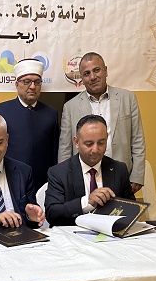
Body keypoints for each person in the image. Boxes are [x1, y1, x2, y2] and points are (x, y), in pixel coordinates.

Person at [58, 52, 146, 193]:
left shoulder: (127, 99)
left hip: (121, 177)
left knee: (121, 208)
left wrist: (137, 176)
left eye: (96, 70)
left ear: (105, 71)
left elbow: (138, 140)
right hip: (85, 178)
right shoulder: (70, 107)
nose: (93, 77)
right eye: (86, 73)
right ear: (82, 78)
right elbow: (65, 148)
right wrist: (64, 180)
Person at [45, 115, 135, 227]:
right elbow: (52, 214)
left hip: (110, 234)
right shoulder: (59, 172)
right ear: (76, 142)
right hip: (73, 234)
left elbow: (132, 209)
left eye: (101, 143)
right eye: (89, 144)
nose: (95, 150)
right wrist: (87, 202)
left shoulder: (119, 169)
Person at [0, 59, 59, 189]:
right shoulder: (1, 111)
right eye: (27, 82)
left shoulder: (51, 114)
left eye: (37, 82)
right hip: (9, 180)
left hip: (43, 183)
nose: (32, 86)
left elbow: (54, 153)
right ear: (17, 84)